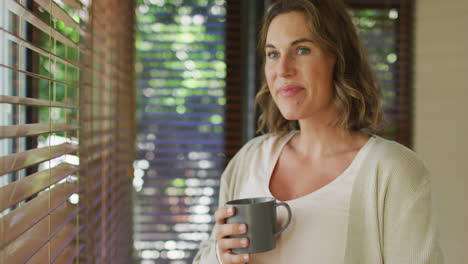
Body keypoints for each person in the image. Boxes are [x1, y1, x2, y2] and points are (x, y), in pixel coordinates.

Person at [193, 0, 443, 263]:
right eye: (273, 54)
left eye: (302, 50)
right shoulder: (249, 160)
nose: (283, 69)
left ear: (338, 58)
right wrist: (221, 257)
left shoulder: (394, 171)